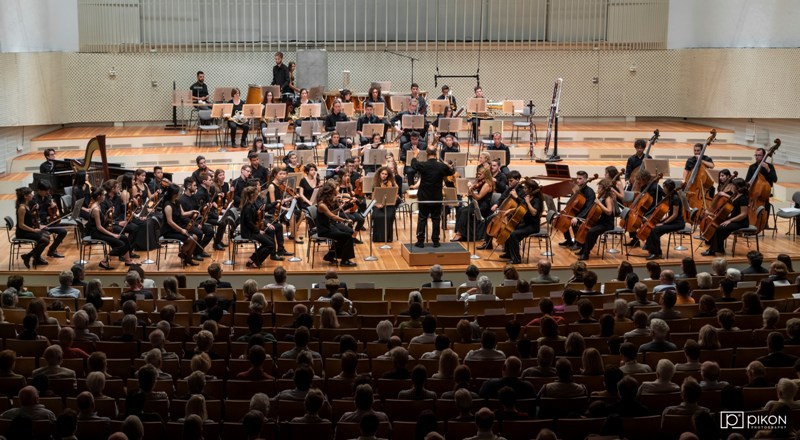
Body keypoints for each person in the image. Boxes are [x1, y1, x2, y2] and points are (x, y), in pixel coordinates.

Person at [410, 147, 455, 248]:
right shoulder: (441, 166)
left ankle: (420, 241)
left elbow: (413, 165)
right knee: (435, 218)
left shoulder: (423, 165)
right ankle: (436, 241)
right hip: (436, 196)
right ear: (436, 153)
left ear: (426, 153)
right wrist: (449, 166)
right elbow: (451, 172)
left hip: (424, 196)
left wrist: (414, 155)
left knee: (422, 218)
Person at [86, 188, 136, 269]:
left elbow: (102, 221)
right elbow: (99, 227)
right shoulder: (95, 209)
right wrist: (113, 235)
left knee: (124, 238)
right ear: (99, 197)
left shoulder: (98, 205)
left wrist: (107, 213)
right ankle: (104, 261)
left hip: (100, 231)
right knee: (121, 244)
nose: (104, 197)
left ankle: (128, 261)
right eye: (103, 195)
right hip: (96, 233)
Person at [702, 177, 750, 256]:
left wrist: (730, 220)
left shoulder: (743, 198)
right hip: (734, 219)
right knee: (717, 224)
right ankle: (719, 248)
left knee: (720, 228)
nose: (731, 187)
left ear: (737, 187)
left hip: (741, 222)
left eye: (733, 185)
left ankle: (713, 250)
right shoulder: (736, 195)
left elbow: (743, 214)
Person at [314, 182, 357, 266]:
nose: (335, 195)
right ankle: (345, 260)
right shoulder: (322, 204)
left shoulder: (325, 202)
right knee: (347, 237)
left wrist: (340, 208)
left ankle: (330, 255)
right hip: (324, 230)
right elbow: (332, 216)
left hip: (329, 226)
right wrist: (346, 220)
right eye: (333, 193)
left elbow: (331, 213)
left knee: (346, 234)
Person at [239, 186, 281, 268]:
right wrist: (258, 231)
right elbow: (249, 223)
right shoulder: (248, 207)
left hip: (251, 231)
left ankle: (253, 258)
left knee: (270, 241)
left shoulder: (250, 205)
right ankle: (256, 261)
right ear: (252, 196)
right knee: (270, 245)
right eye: (256, 194)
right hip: (248, 233)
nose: (257, 195)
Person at [643, 179, 684, 260]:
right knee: (653, 227)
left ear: (668, 188)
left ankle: (656, 253)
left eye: (664, 187)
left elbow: (674, 215)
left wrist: (663, 223)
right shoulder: (670, 196)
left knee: (654, 230)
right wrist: (661, 220)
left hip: (678, 223)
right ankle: (653, 250)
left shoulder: (675, 198)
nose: (663, 189)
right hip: (672, 221)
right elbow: (670, 214)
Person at [577, 177, 616, 261]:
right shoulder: (601, 197)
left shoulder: (608, 198)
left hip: (607, 224)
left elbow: (609, 212)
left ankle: (586, 254)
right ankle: (583, 249)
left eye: (599, 188)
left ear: (604, 189)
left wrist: (599, 204)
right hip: (601, 221)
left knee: (591, 232)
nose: (597, 189)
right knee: (584, 227)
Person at [453, 167, 494, 242]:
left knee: (465, 212)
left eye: (480, 174)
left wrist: (471, 191)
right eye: (478, 173)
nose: (478, 175)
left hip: (483, 206)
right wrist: (470, 189)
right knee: (460, 210)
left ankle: (460, 234)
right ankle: (461, 233)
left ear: (486, 175)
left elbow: (478, 197)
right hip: (477, 203)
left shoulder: (487, 184)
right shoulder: (480, 182)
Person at [15, 187, 51, 269]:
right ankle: (31, 257)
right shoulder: (22, 208)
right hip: (22, 232)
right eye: (31, 194)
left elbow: (29, 221)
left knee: (47, 236)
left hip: (27, 230)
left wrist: (40, 226)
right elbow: (21, 225)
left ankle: (32, 257)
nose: (32, 195)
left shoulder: (27, 205)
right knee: (45, 240)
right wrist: (34, 230)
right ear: (25, 196)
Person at [558, 171, 596, 250]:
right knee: (562, 219)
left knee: (573, 221)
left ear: (585, 180)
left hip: (584, 214)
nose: (577, 180)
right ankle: (568, 240)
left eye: (580, 179)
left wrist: (578, 217)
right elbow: (572, 201)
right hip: (575, 211)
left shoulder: (590, 192)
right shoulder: (576, 188)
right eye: (577, 178)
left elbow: (588, 207)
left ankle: (578, 243)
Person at [30, 180, 67, 259]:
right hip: (37, 225)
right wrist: (39, 225)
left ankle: (51, 251)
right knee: (46, 236)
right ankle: (36, 257)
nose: (48, 193)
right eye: (45, 191)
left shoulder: (48, 197)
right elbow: (31, 218)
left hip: (47, 223)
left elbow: (52, 211)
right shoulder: (33, 201)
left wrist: (54, 206)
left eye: (48, 190)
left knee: (63, 231)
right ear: (39, 190)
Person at [371, 165, 399, 242]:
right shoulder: (375, 183)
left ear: (388, 175)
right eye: (382, 173)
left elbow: (395, 193)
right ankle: (378, 237)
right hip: (378, 204)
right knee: (377, 216)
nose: (384, 175)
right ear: (379, 174)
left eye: (386, 174)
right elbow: (373, 198)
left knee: (389, 216)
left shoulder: (392, 183)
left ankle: (388, 238)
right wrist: (377, 205)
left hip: (389, 205)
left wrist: (394, 186)